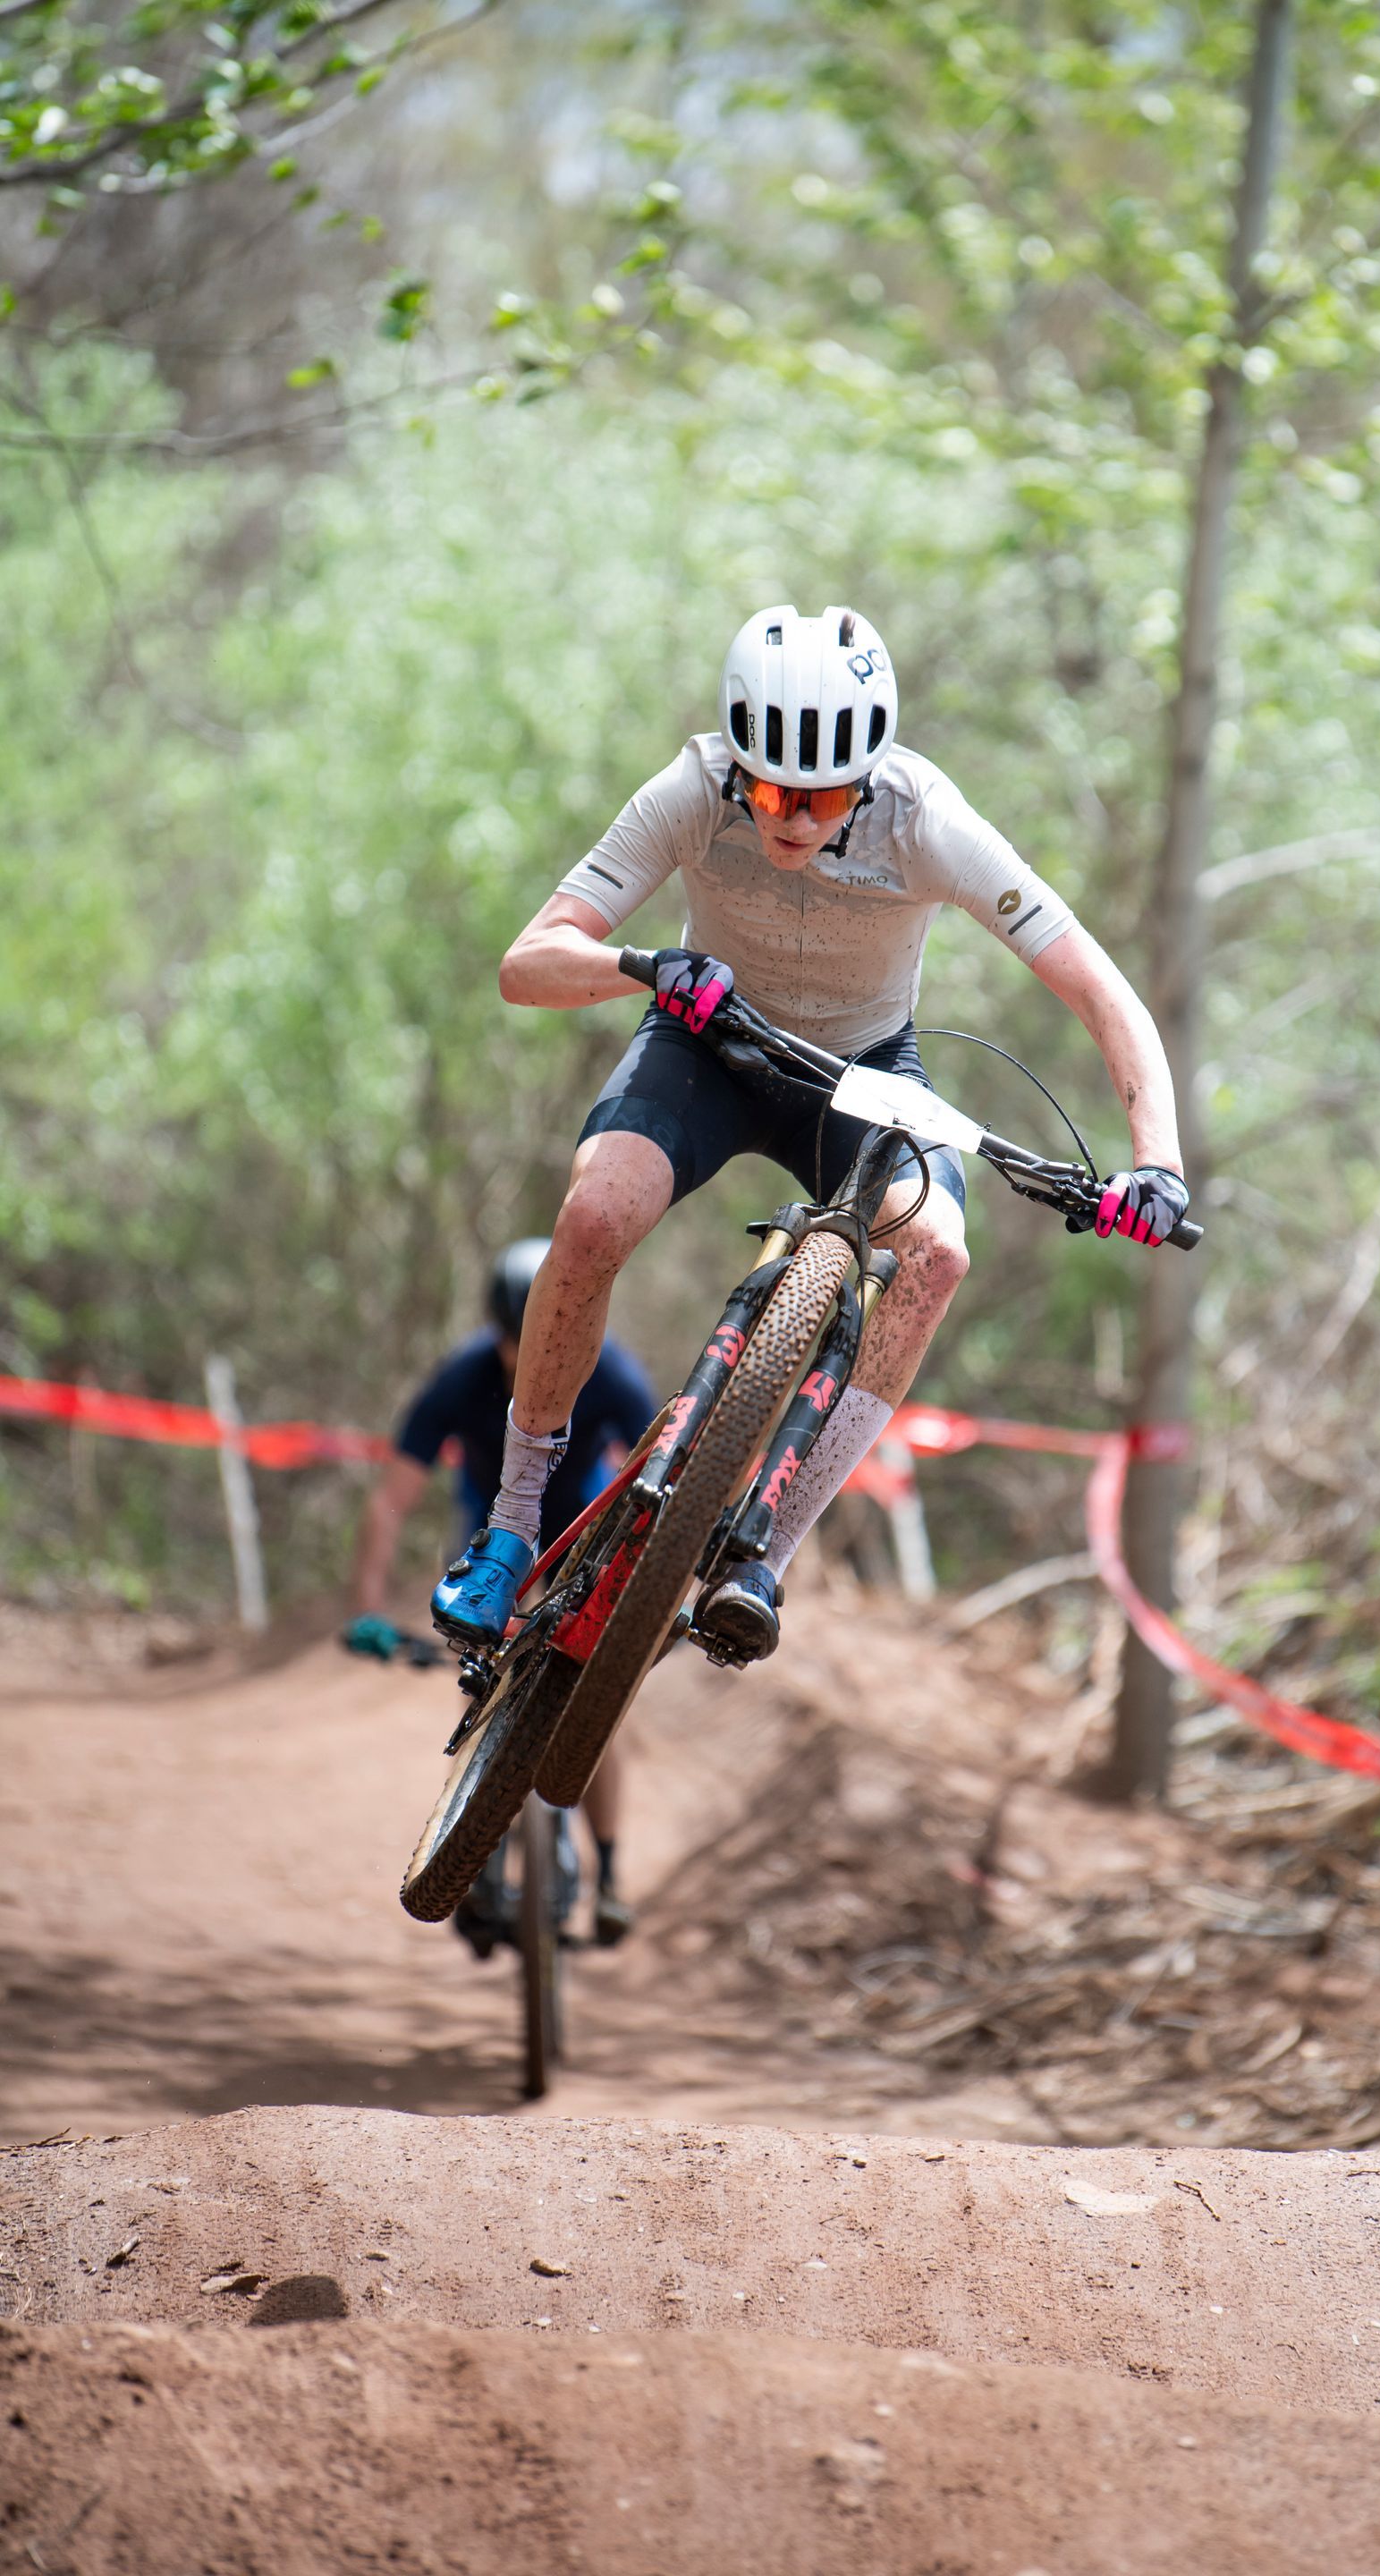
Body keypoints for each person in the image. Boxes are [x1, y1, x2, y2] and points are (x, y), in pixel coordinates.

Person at [431, 603, 1186, 1666]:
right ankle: (510, 1528)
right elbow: (528, 962)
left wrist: (1158, 1163)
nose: (795, 818)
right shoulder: (693, 789)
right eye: (776, 791)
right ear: (739, 768)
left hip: (864, 1072)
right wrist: (645, 967)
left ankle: (760, 1559)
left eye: (825, 796)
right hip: (707, 1043)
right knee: (597, 1212)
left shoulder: (928, 820)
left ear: (868, 778)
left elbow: (1105, 994)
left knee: (937, 1254)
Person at [349, 1239, 656, 1947]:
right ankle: (473, 1842)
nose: (528, 1358)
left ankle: (608, 1872)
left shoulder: (610, 1371)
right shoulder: (460, 1378)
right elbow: (390, 1501)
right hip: (489, 1528)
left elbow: (667, 1468)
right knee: (479, 1668)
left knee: (593, 1699)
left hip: (578, 1527)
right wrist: (365, 1608)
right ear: (495, 1335)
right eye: (516, 1342)